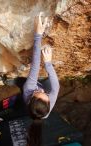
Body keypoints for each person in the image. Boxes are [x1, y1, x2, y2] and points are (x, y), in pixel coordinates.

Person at [23, 12, 60, 146]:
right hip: (42, 110)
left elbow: (35, 65)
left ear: (33, 96)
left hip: (33, 94)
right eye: (47, 97)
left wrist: (38, 35)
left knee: (38, 80)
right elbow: (56, 87)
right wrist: (49, 64)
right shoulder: (47, 107)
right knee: (52, 83)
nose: (45, 93)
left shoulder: (28, 89)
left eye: (42, 94)